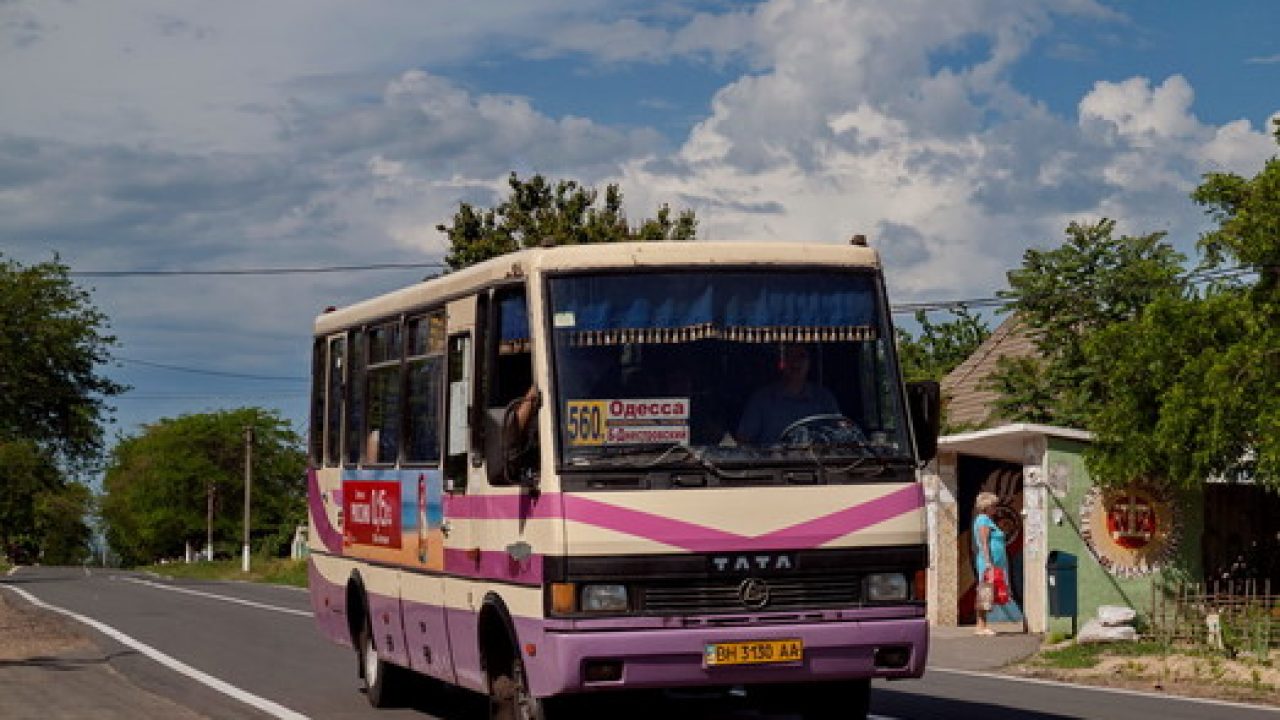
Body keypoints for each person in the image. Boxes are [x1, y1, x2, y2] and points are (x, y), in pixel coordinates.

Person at [735, 344, 840, 445]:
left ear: (809, 363)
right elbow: (743, 441)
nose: (795, 362)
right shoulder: (761, 400)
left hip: (817, 463)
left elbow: (840, 438)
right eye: (789, 356)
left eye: (801, 356)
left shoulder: (825, 398)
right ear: (782, 362)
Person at [973, 491, 1007, 636]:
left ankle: (981, 625)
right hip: (988, 562)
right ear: (986, 507)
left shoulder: (987, 520)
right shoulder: (983, 520)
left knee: (987, 591)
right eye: (993, 506)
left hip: (993, 562)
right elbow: (984, 542)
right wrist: (988, 562)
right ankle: (981, 626)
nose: (996, 508)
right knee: (985, 591)